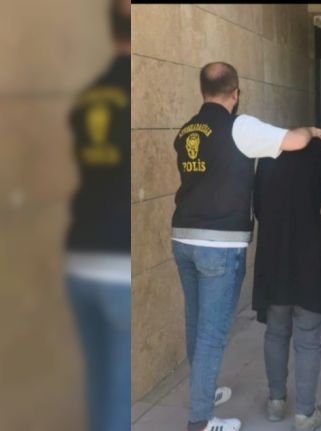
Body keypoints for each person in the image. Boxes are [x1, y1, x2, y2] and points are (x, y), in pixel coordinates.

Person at [171, 61, 321, 431]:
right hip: (219, 244)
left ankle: (204, 394)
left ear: (202, 91)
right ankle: (201, 421)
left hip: (183, 237)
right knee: (212, 333)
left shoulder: (186, 130)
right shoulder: (239, 126)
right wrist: (311, 129)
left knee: (195, 322)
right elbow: (294, 141)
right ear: (236, 92)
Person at [64, 1, 131, 430]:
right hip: (119, 263)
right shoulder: (131, 90)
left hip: (80, 254)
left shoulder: (87, 95)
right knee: (118, 397)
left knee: (97, 386)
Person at [252, 136, 321, 431]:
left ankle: (275, 402)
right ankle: (305, 414)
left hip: (275, 259)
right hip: (313, 263)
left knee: (275, 332)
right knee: (308, 340)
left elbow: (258, 209)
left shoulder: (268, 157)